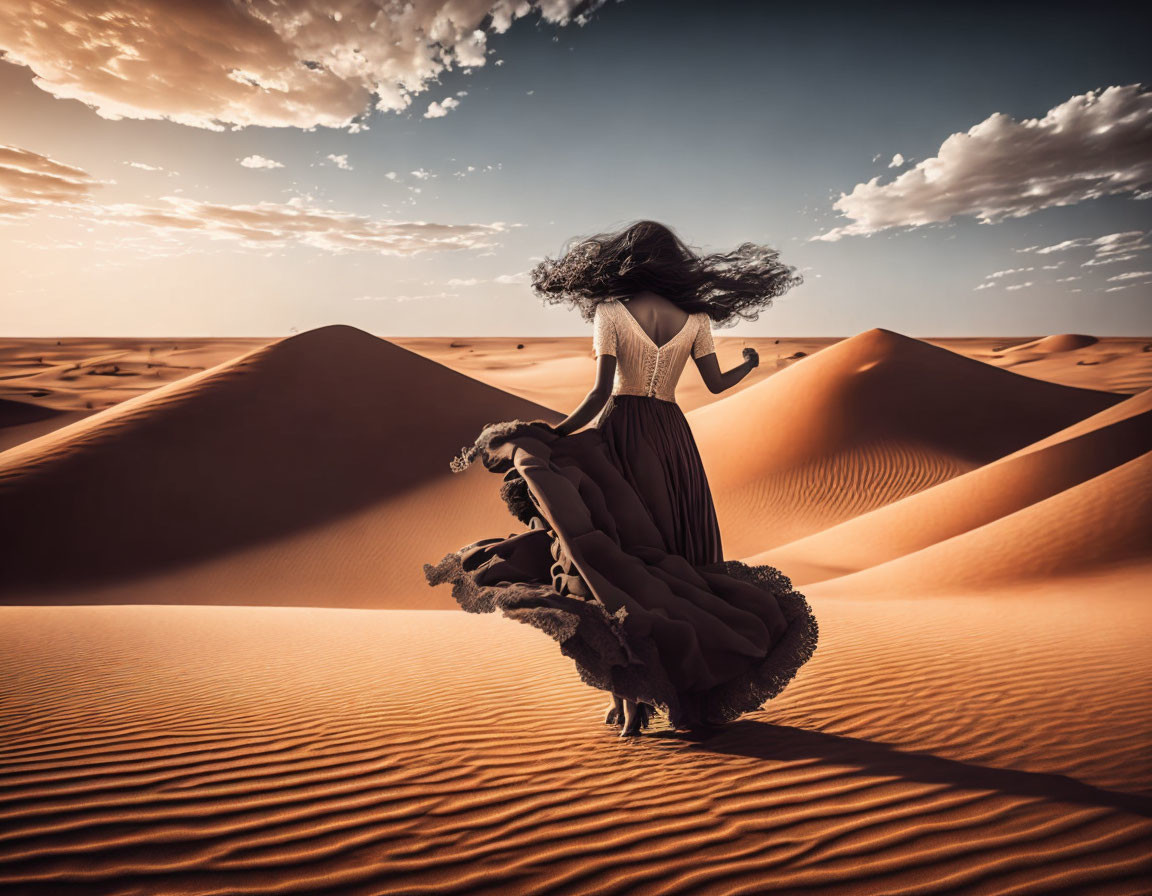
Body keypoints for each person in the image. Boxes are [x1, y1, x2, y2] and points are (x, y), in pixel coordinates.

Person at [424, 220, 818, 738]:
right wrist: (747, 365)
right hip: (674, 440)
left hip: (624, 433)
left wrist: (553, 435)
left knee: (615, 556)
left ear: (624, 259)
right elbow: (717, 385)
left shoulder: (610, 311)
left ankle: (630, 698)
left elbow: (598, 394)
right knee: (678, 559)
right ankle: (685, 692)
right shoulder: (696, 317)